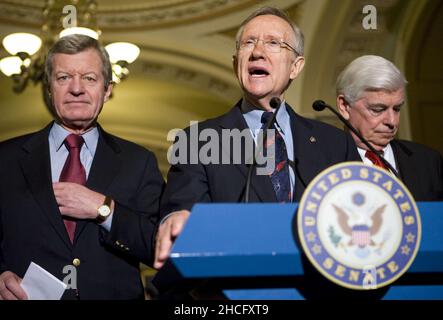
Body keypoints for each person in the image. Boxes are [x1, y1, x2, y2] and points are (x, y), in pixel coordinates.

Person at [154, 7, 359, 269]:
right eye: (248, 42)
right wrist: (177, 220)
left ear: (296, 67)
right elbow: (182, 210)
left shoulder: (335, 143)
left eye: (273, 43)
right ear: (234, 62)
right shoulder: (196, 140)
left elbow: (354, 217)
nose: (257, 51)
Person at [0, 34, 164, 300]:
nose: (76, 89)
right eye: (64, 77)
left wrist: (103, 209)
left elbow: (160, 245)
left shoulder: (139, 161)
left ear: (108, 89)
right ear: (49, 87)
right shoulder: (5, 159)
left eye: (89, 78)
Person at [336, 55, 443, 201]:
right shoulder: (324, 165)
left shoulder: (429, 161)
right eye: (378, 109)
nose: (392, 122)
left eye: (397, 109)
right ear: (344, 106)